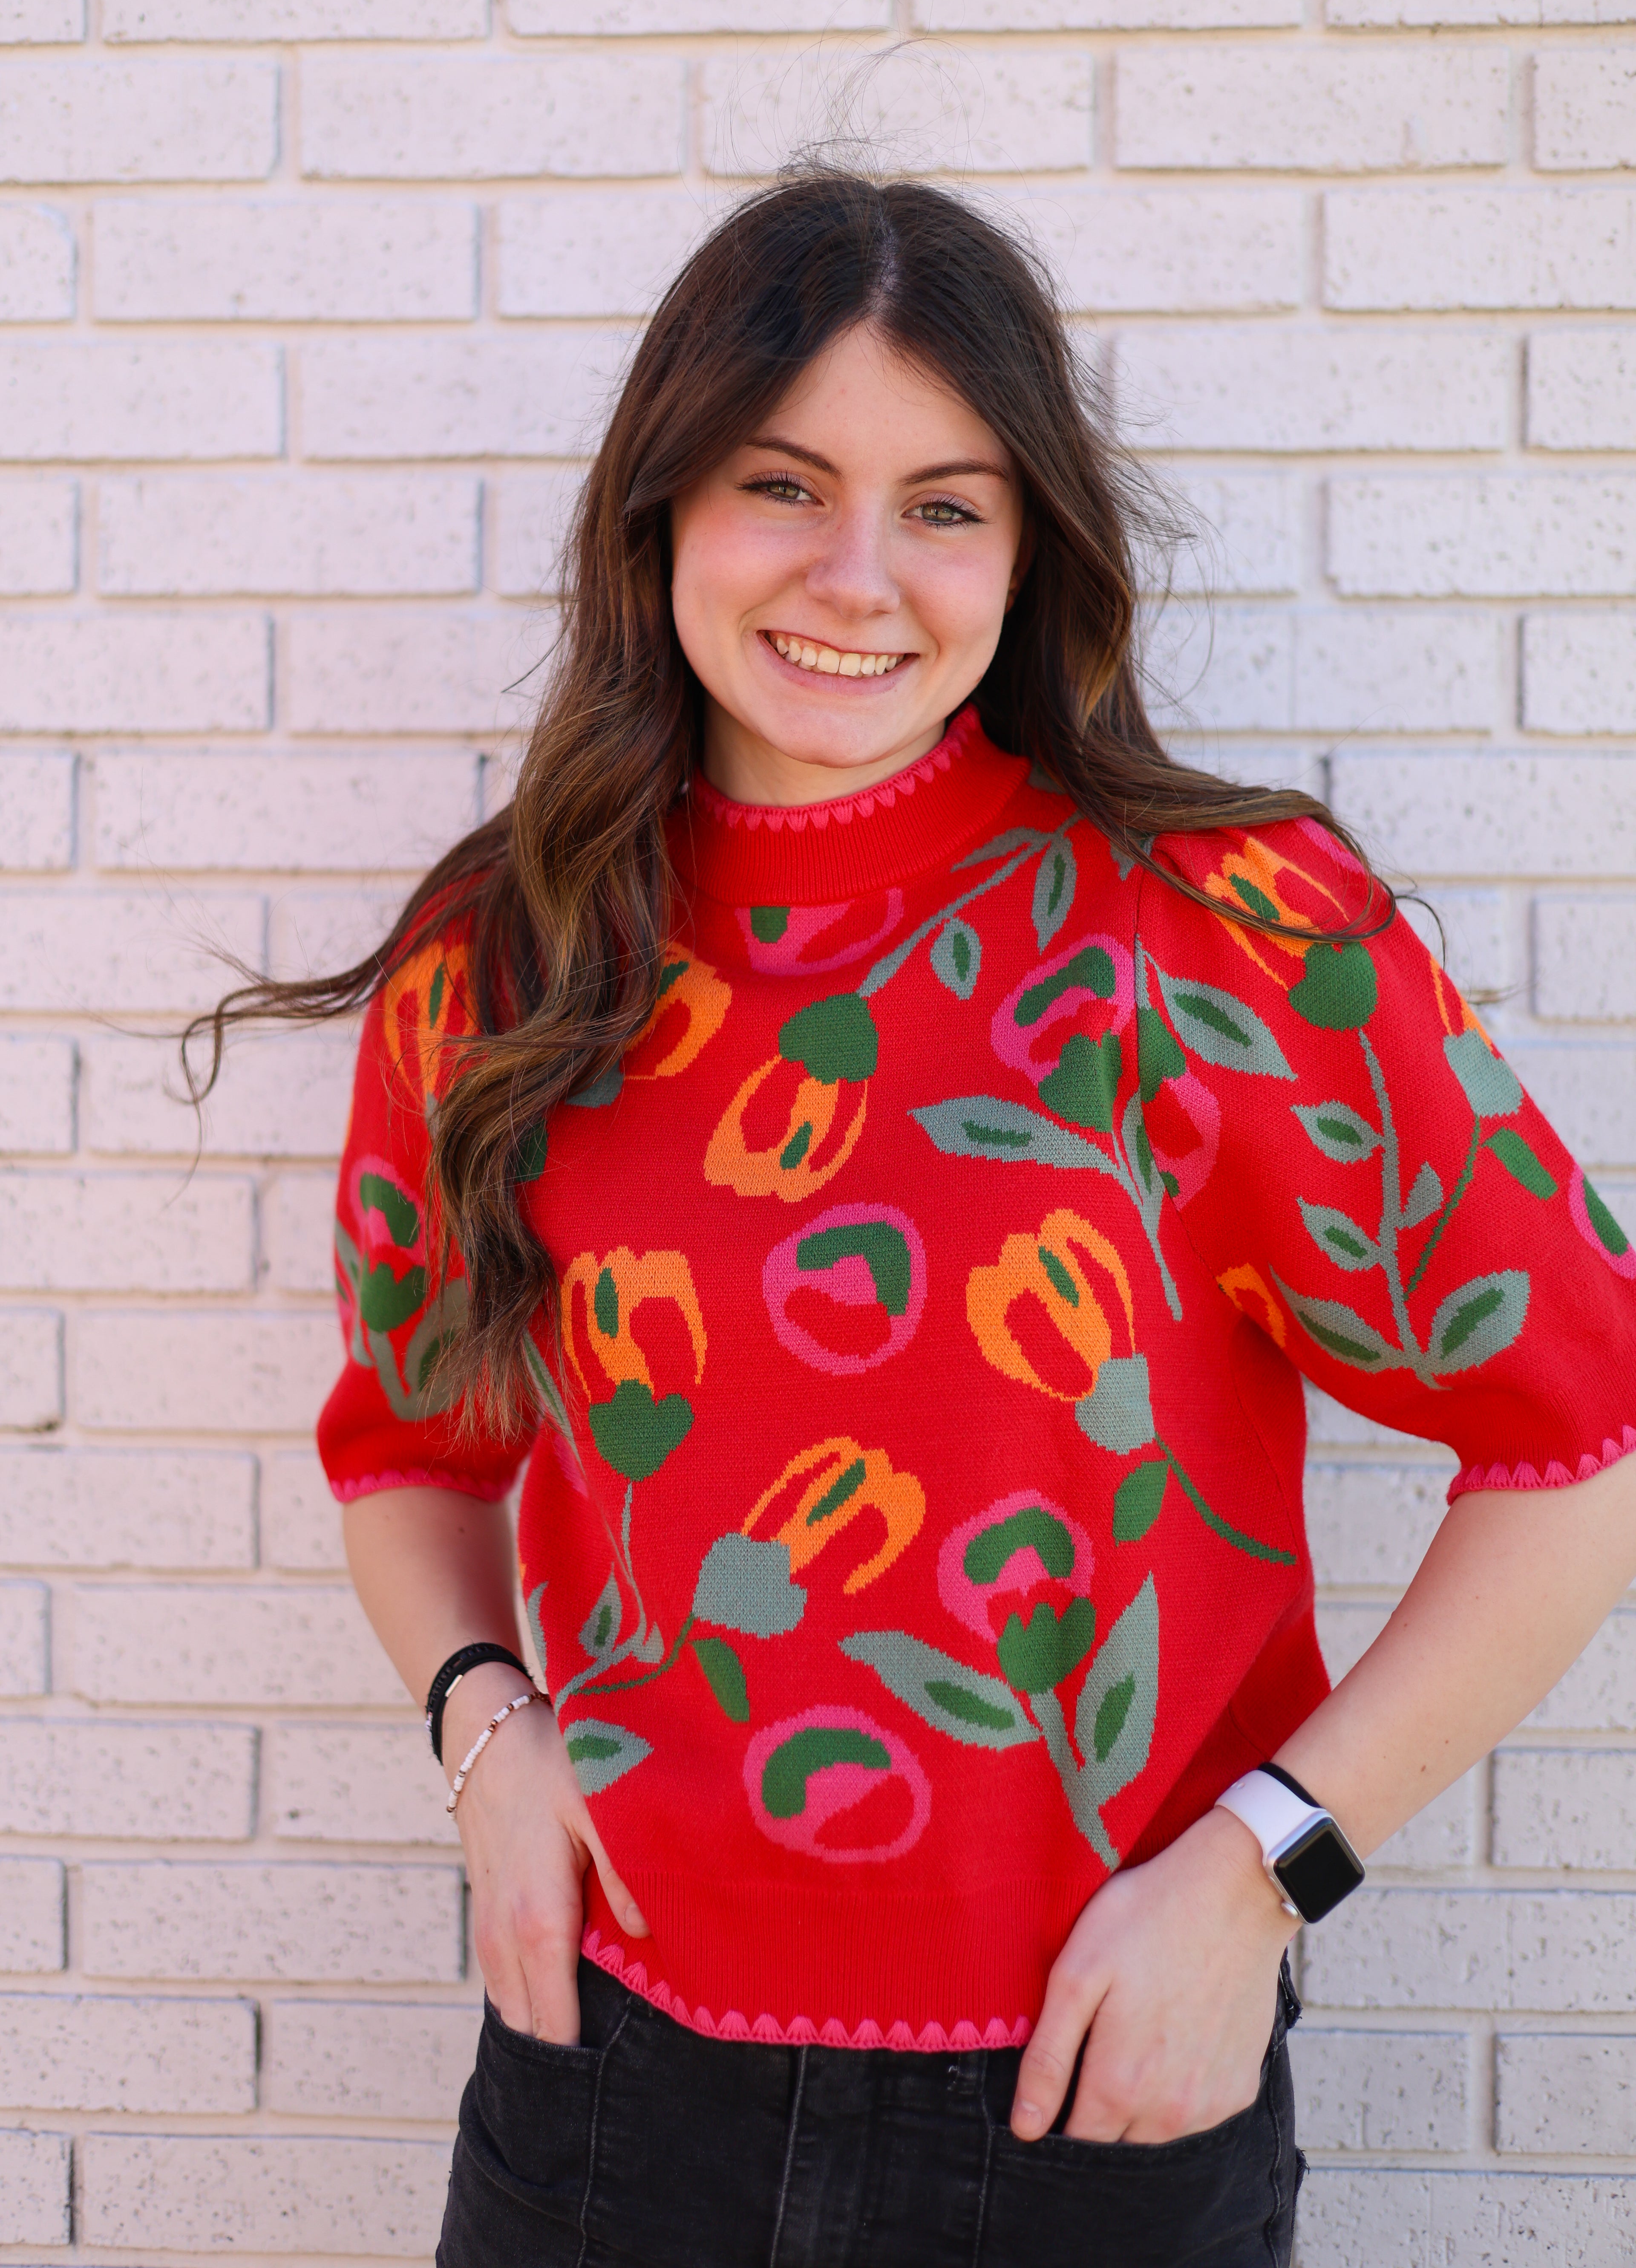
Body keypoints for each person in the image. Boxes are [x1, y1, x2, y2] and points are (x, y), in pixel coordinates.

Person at [198, 171, 1636, 2268]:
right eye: (787, 484)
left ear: (1029, 544)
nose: (859, 577)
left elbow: (1577, 1438)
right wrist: (485, 1739)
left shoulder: (1226, 937)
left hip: (1092, 2096)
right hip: (611, 2078)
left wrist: (1261, 1874)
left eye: (947, 504)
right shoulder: (500, 955)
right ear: (663, 512)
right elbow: (417, 1447)